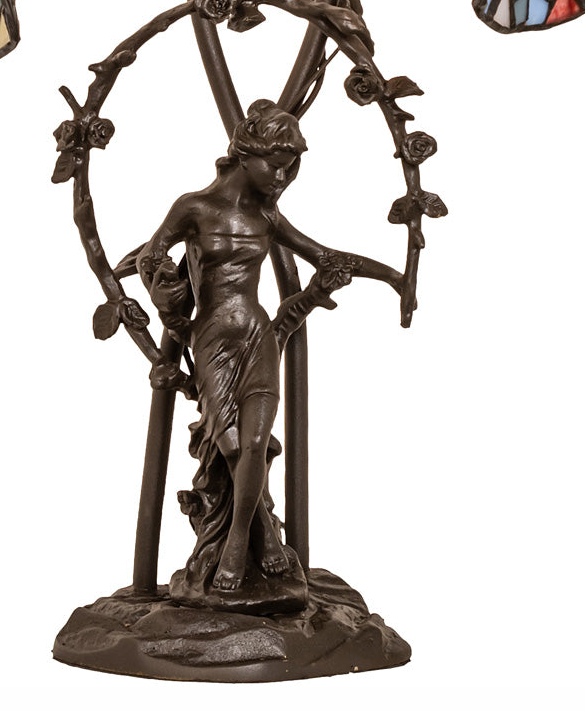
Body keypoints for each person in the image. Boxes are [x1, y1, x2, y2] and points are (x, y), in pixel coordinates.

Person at [137, 99, 402, 596]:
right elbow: (150, 255)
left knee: (256, 442)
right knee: (233, 446)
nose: (283, 177)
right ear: (245, 155)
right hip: (212, 341)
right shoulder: (193, 208)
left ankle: (238, 545)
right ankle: (262, 531)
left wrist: (392, 277)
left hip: (256, 336)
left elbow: (325, 255)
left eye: (291, 167)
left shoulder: (266, 216)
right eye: (276, 165)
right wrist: (161, 287)